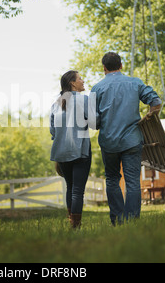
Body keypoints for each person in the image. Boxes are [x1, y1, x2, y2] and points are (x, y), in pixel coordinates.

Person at [90, 52, 162, 226]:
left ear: (104, 68)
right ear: (121, 66)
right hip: (132, 140)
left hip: (109, 142)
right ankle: (132, 221)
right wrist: (148, 120)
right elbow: (156, 102)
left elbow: (93, 122)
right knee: (132, 181)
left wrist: (102, 122)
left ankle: (117, 220)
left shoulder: (96, 88)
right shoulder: (135, 82)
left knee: (112, 179)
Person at [50, 70, 91, 229]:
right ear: (73, 83)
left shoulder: (56, 104)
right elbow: (95, 122)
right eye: (80, 78)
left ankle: (72, 223)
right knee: (78, 190)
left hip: (62, 152)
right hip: (81, 150)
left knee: (70, 187)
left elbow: (53, 131)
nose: (82, 81)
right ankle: (76, 226)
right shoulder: (85, 100)